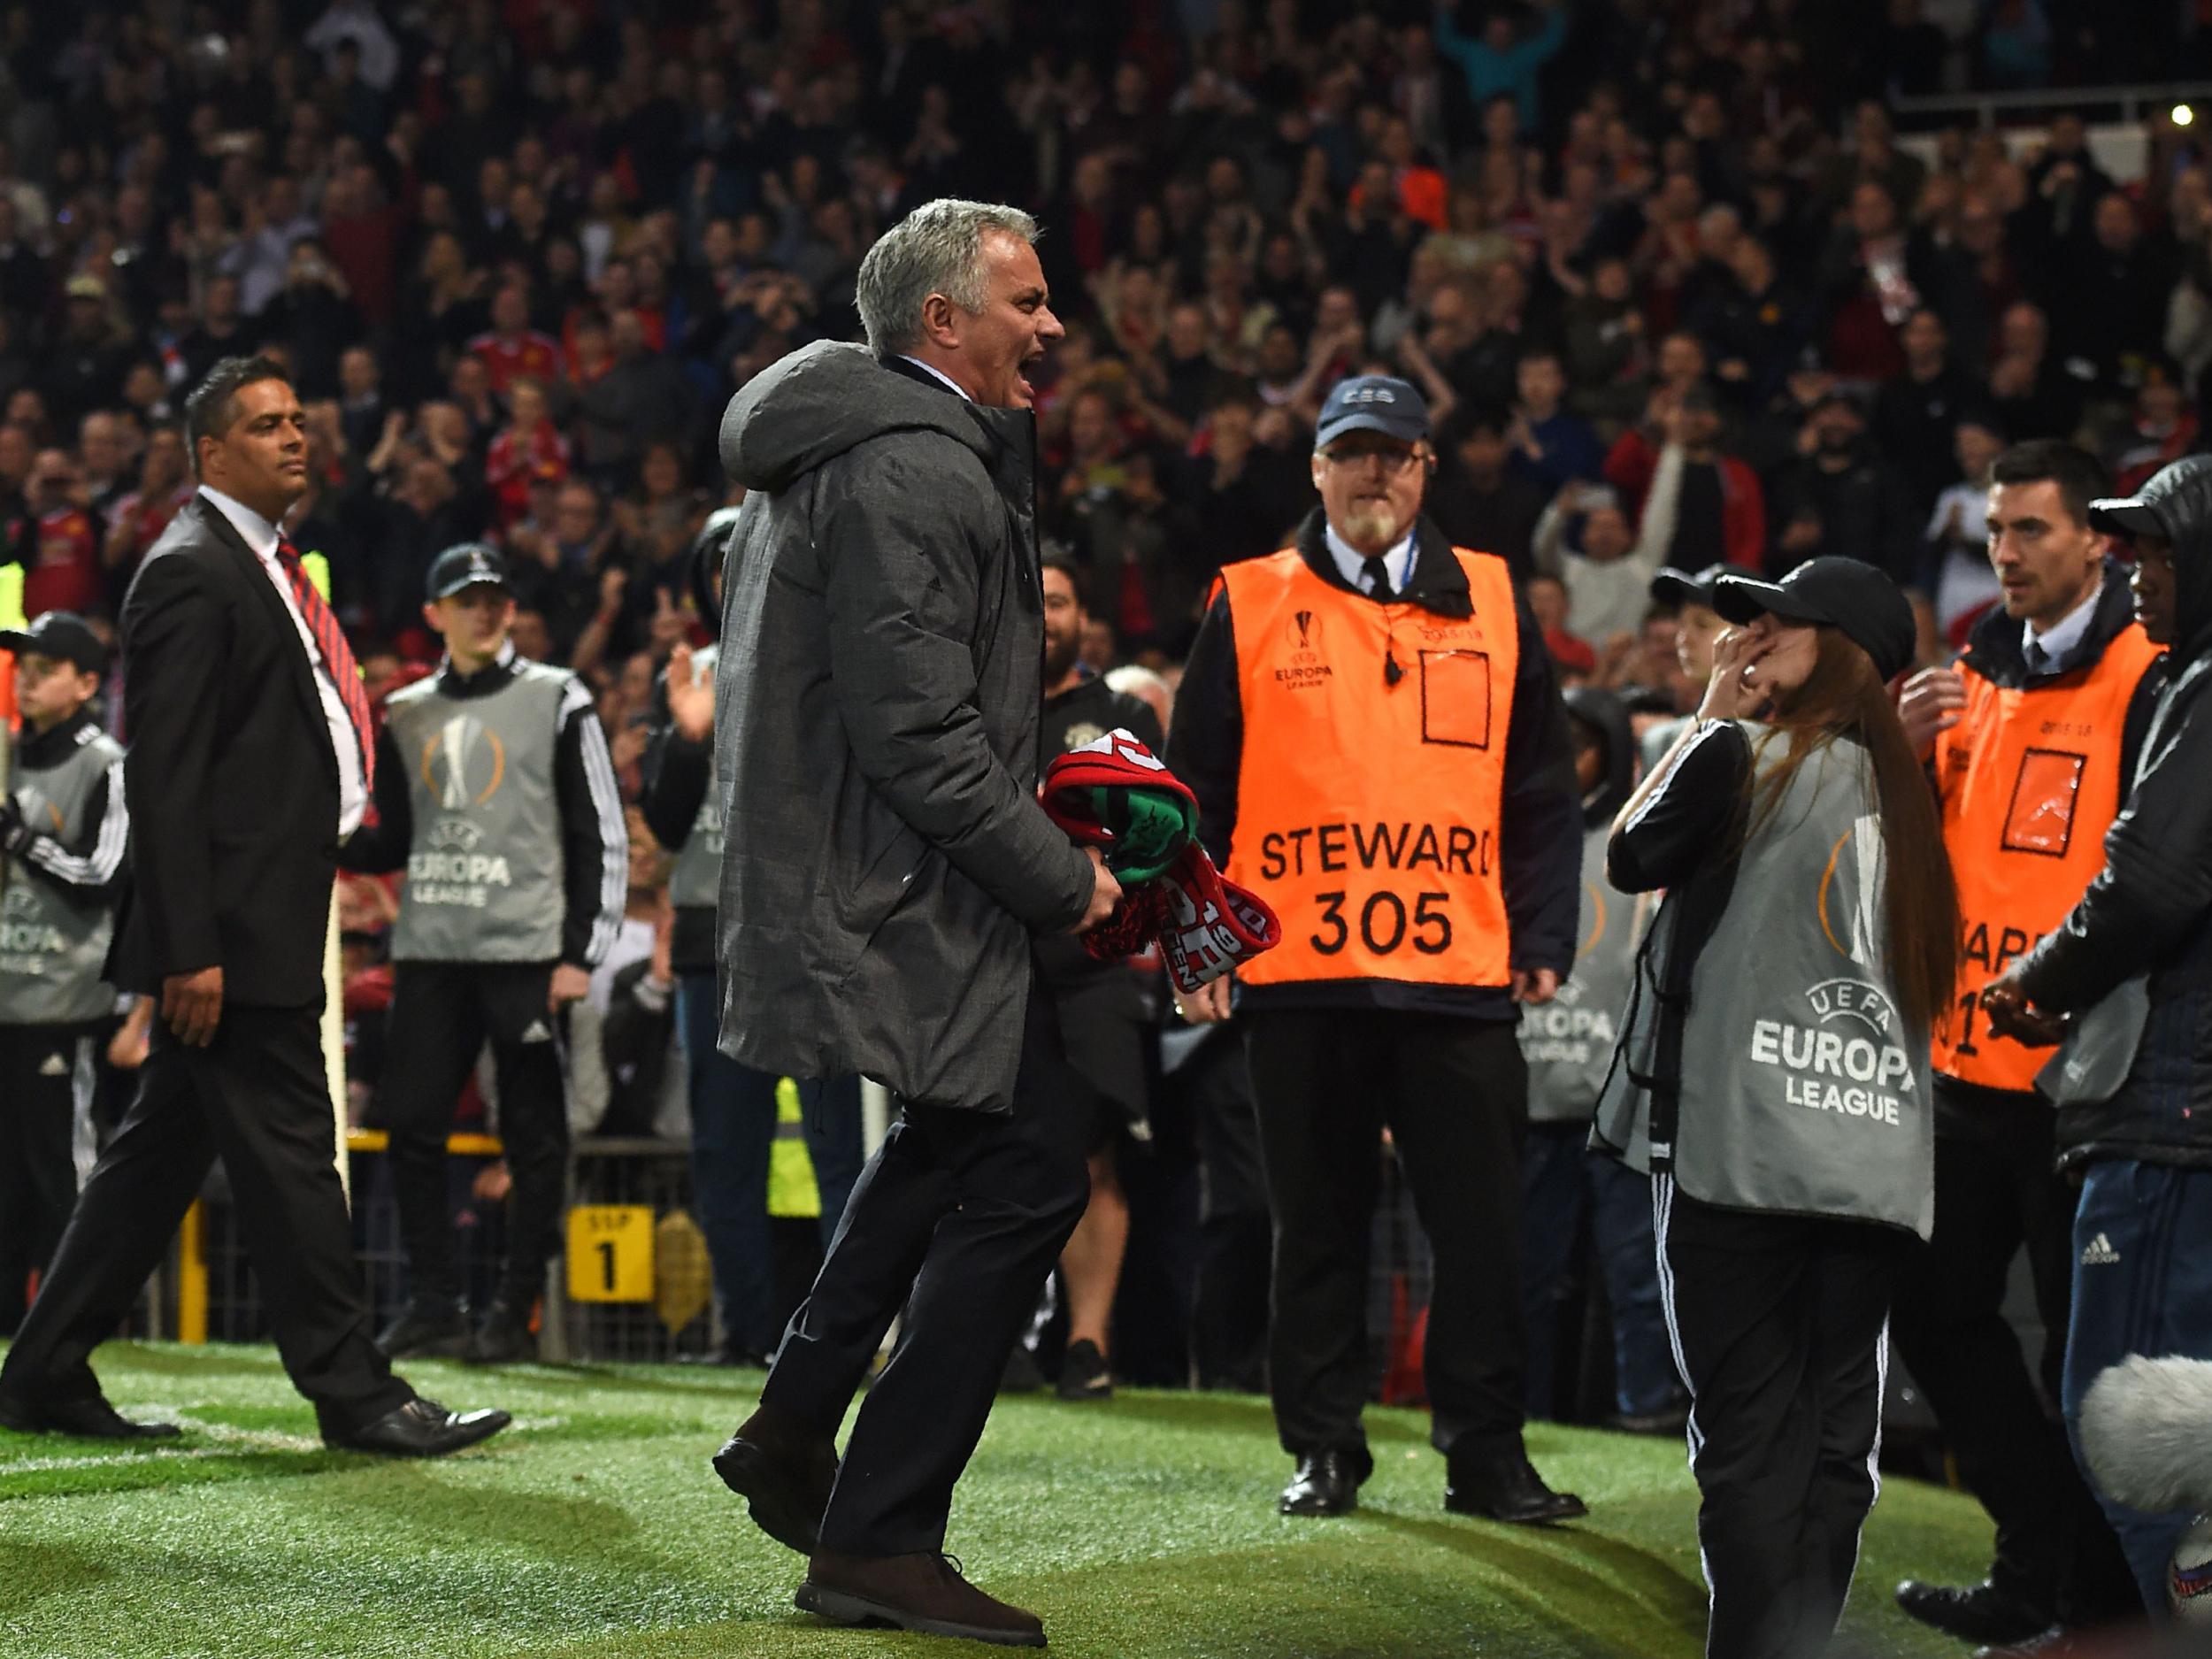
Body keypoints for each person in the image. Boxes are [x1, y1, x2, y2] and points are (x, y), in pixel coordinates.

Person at [705, 200, 1119, 1647]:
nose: (1051, 325)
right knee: (1027, 1167)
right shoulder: (911, 465)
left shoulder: (839, 444)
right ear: (943, 322)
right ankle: (878, 1535)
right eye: (1028, 299)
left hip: (863, 875)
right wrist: (1068, 881)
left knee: (962, 1136)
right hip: (905, 888)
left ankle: (790, 1428)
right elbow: (924, 738)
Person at [0, 356, 507, 1455]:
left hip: (259, 912)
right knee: (293, 1155)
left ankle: (40, 1368)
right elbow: (164, 774)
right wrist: (188, 947)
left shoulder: (261, 564)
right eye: (267, 424)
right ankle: (355, 1394)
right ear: (210, 452)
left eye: (300, 419)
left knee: (154, 1164)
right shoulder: (190, 568)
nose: (295, 438)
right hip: (229, 932)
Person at [1170, 373, 1586, 1525]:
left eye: (1396, 454)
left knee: (1487, 1235)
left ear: (1425, 469)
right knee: (1313, 1229)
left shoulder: (1497, 601)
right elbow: (1192, 794)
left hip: (1459, 973)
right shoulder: (1250, 599)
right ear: (1317, 468)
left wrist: (1545, 929)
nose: (1374, 473)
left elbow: (1544, 792)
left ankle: (1486, 1454)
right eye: (1352, 452)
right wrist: (1198, 939)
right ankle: (1323, 1446)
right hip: (1298, 976)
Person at [1594, 557, 1957, 1659]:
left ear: (1832, 649)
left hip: (1739, 1149)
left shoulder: (1738, 756)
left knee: (1750, 1438)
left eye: (1770, 623)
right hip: (1874, 1163)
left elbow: (1628, 853)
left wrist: (1705, 715)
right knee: (1836, 1437)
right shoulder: (1907, 793)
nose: (1742, 638)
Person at [1886, 440, 2151, 1646]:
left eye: (2031, 530)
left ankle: (2095, 1591)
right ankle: (2035, 1560)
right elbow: (1919, 859)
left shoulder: (2155, 677)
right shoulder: (1968, 675)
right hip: (1964, 1069)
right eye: (1995, 531)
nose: (2005, 554)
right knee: (1933, 1309)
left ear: (2098, 537)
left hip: (2089, 1077)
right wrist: (1900, 739)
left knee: (2095, 1357)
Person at [1981, 453, 2212, 1618]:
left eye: (2163, 551)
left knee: (2136, 1433)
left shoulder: (2210, 682)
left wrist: (2045, 977)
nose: (2138, 572)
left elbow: (2151, 878)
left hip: (2178, 1117)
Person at [338, 541, 626, 1363]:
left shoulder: (557, 694)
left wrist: (582, 952)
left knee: (535, 1138)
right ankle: (435, 1301)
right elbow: (390, 834)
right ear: (435, 614)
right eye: (467, 597)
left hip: (527, 952)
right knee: (413, 1127)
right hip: (430, 949)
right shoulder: (406, 709)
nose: (485, 607)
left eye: (495, 595)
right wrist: (314, 825)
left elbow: (599, 830)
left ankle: (516, 1310)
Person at [641, 507, 864, 1367]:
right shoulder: (688, 673)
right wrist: (689, 737)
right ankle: (745, 1332)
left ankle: (842, 1334)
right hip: (712, 938)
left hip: (812, 927)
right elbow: (664, 821)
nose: (743, 571)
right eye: (727, 561)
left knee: (838, 1143)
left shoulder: (833, 652)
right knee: (723, 1147)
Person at [1516, 686, 1686, 1434]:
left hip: (1622, 1101)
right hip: (1533, 1098)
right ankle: (1525, 1414)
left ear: (1612, 751)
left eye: (1583, 744)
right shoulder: (1519, 842)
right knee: (1529, 1276)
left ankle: (1646, 1409)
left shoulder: (1640, 849)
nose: (1567, 759)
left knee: (1636, 1276)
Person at [1031, 550, 1166, 1402]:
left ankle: (1086, 1341)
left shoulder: (1120, 716)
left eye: (1059, 601)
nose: (1044, 614)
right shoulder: (970, 706)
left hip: (1094, 969)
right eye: (1030, 600)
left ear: (1085, 618)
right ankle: (997, 1337)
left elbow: (1161, 832)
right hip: (991, 966)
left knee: (1093, 1157)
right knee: (983, 1157)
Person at [0, 611, 126, 1333]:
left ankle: (74, 1319)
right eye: (24, 666)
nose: (27, 677)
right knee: (9, 1180)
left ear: (85, 683)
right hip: (7, 997)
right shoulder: (8, 752)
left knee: (63, 1170)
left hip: (63, 997)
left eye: (45, 668)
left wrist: (23, 840)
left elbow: (104, 874)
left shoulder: (107, 763)